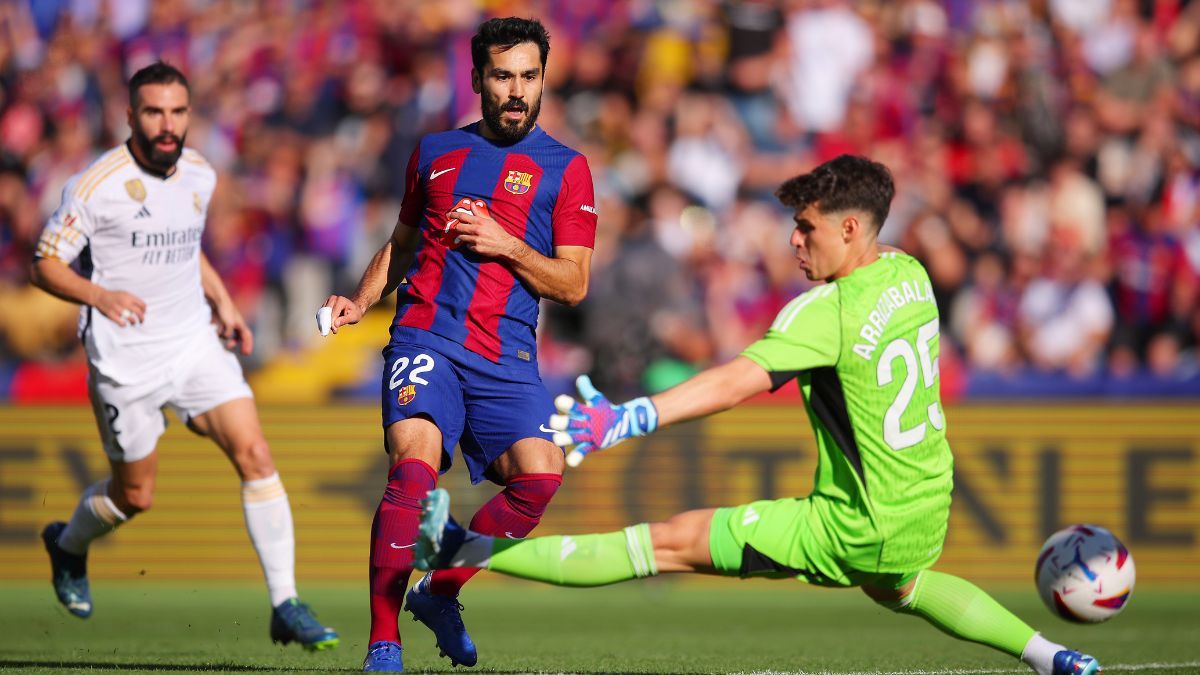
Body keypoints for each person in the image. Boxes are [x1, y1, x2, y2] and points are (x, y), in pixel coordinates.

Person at [414, 155, 1103, 675]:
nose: (795, 242)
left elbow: (735, 381)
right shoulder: (911, 275)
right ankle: (1053, 656)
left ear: (852, 228)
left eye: (807, 229)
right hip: (925, 509)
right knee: (906, 586)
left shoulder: (825, 312)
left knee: (661, 543)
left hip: (850, 525)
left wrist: (630, 417)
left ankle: (464, 548)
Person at [320, 17, 597, 673]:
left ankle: (441, 590)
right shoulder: (435, 151)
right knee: (412, 463)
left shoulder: (568, 168)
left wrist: (508, 245)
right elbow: (403, 243)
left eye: (529, 76)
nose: (516, 90)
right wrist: (360, 301)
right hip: (427, 334)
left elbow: (575, 282)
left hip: (507, 356)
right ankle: (383, 641)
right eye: (503, 75)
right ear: (477, 79)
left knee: (541, 474)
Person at [32, 62, 338, 652]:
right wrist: (99, 294)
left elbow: (186, 247)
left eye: (177, 111)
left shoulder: (199, 173)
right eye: (153, 112)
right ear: (130, 116)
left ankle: (285, 602)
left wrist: (223, 302)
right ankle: (67, 545)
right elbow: (44, 263)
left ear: (189, 115)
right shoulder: (95, 187)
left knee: (255, 451)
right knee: (134, 497)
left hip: (193, 342)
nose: (167, 124)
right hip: (126, 361)